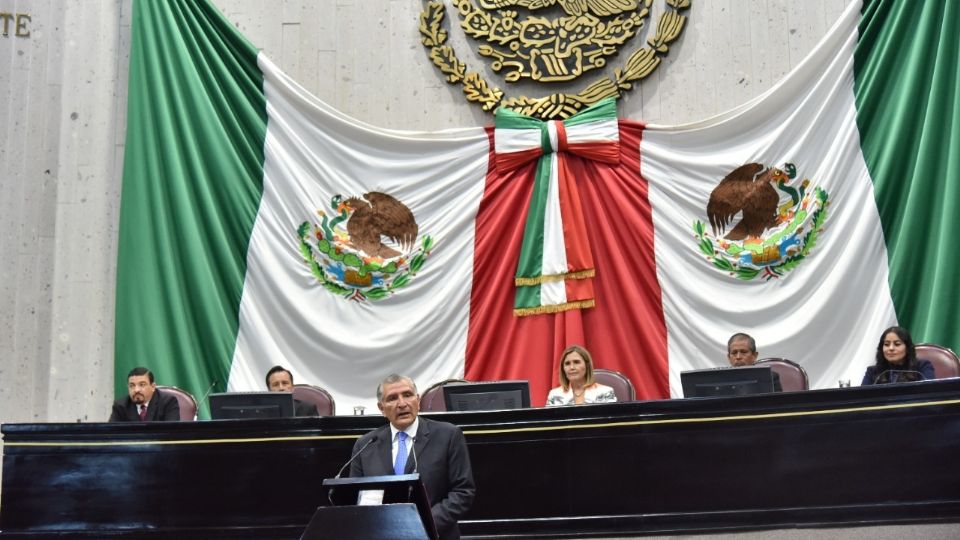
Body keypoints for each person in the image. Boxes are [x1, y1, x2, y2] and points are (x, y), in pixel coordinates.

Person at [350, 374, 475, 540]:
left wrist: (424, 523)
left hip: (435, 534)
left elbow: (463, 491)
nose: (402, 404)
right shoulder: (365, 444)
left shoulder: (448, 435)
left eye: (407, 395)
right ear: (382, 408)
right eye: (392, 398)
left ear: (418, 400)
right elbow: (355, 496)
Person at [861, 326, 935, 385]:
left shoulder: (923, 367)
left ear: (907, 347)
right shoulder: (872, 371)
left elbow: (930, 393)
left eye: (897, 344)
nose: (891, 348)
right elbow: (862, 398)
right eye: (886, 344)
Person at [546, 345, 617, 406]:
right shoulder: (554, 395)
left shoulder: (606, 392)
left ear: (587, 366)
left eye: (576, 362)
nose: (572, 367)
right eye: (567, 364)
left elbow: (612, 421)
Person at [109, 366, 181, 422]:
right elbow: (111, 434)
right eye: (132, 385)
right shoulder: (120, 406)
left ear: (153, 387)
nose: (136, 390)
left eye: (142, 385)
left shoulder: (168, 402)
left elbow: (171, 433)